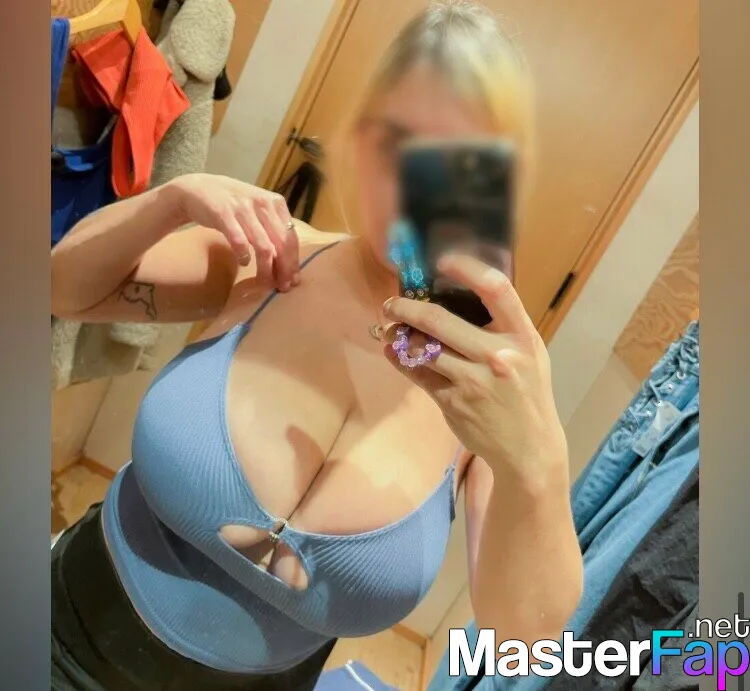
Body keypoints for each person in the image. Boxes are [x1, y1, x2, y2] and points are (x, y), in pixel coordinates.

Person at [50, 2, 582, 689]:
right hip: (62, 635)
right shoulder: (269, 259)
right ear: (360, 138)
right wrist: (171, 200)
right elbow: (61, 288)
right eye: (402, 141)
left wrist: (537, 464)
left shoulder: (488, 388)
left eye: (463, 159)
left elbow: (524, 645)